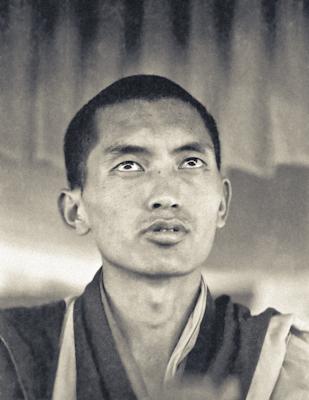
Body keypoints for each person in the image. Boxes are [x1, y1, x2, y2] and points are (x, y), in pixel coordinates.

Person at [0, 75, 308, 400]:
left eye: (190, 162)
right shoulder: (13, 352)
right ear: (76, 211)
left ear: (222, 203)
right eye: (129, 165)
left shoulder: (285, 359)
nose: (165, 195)